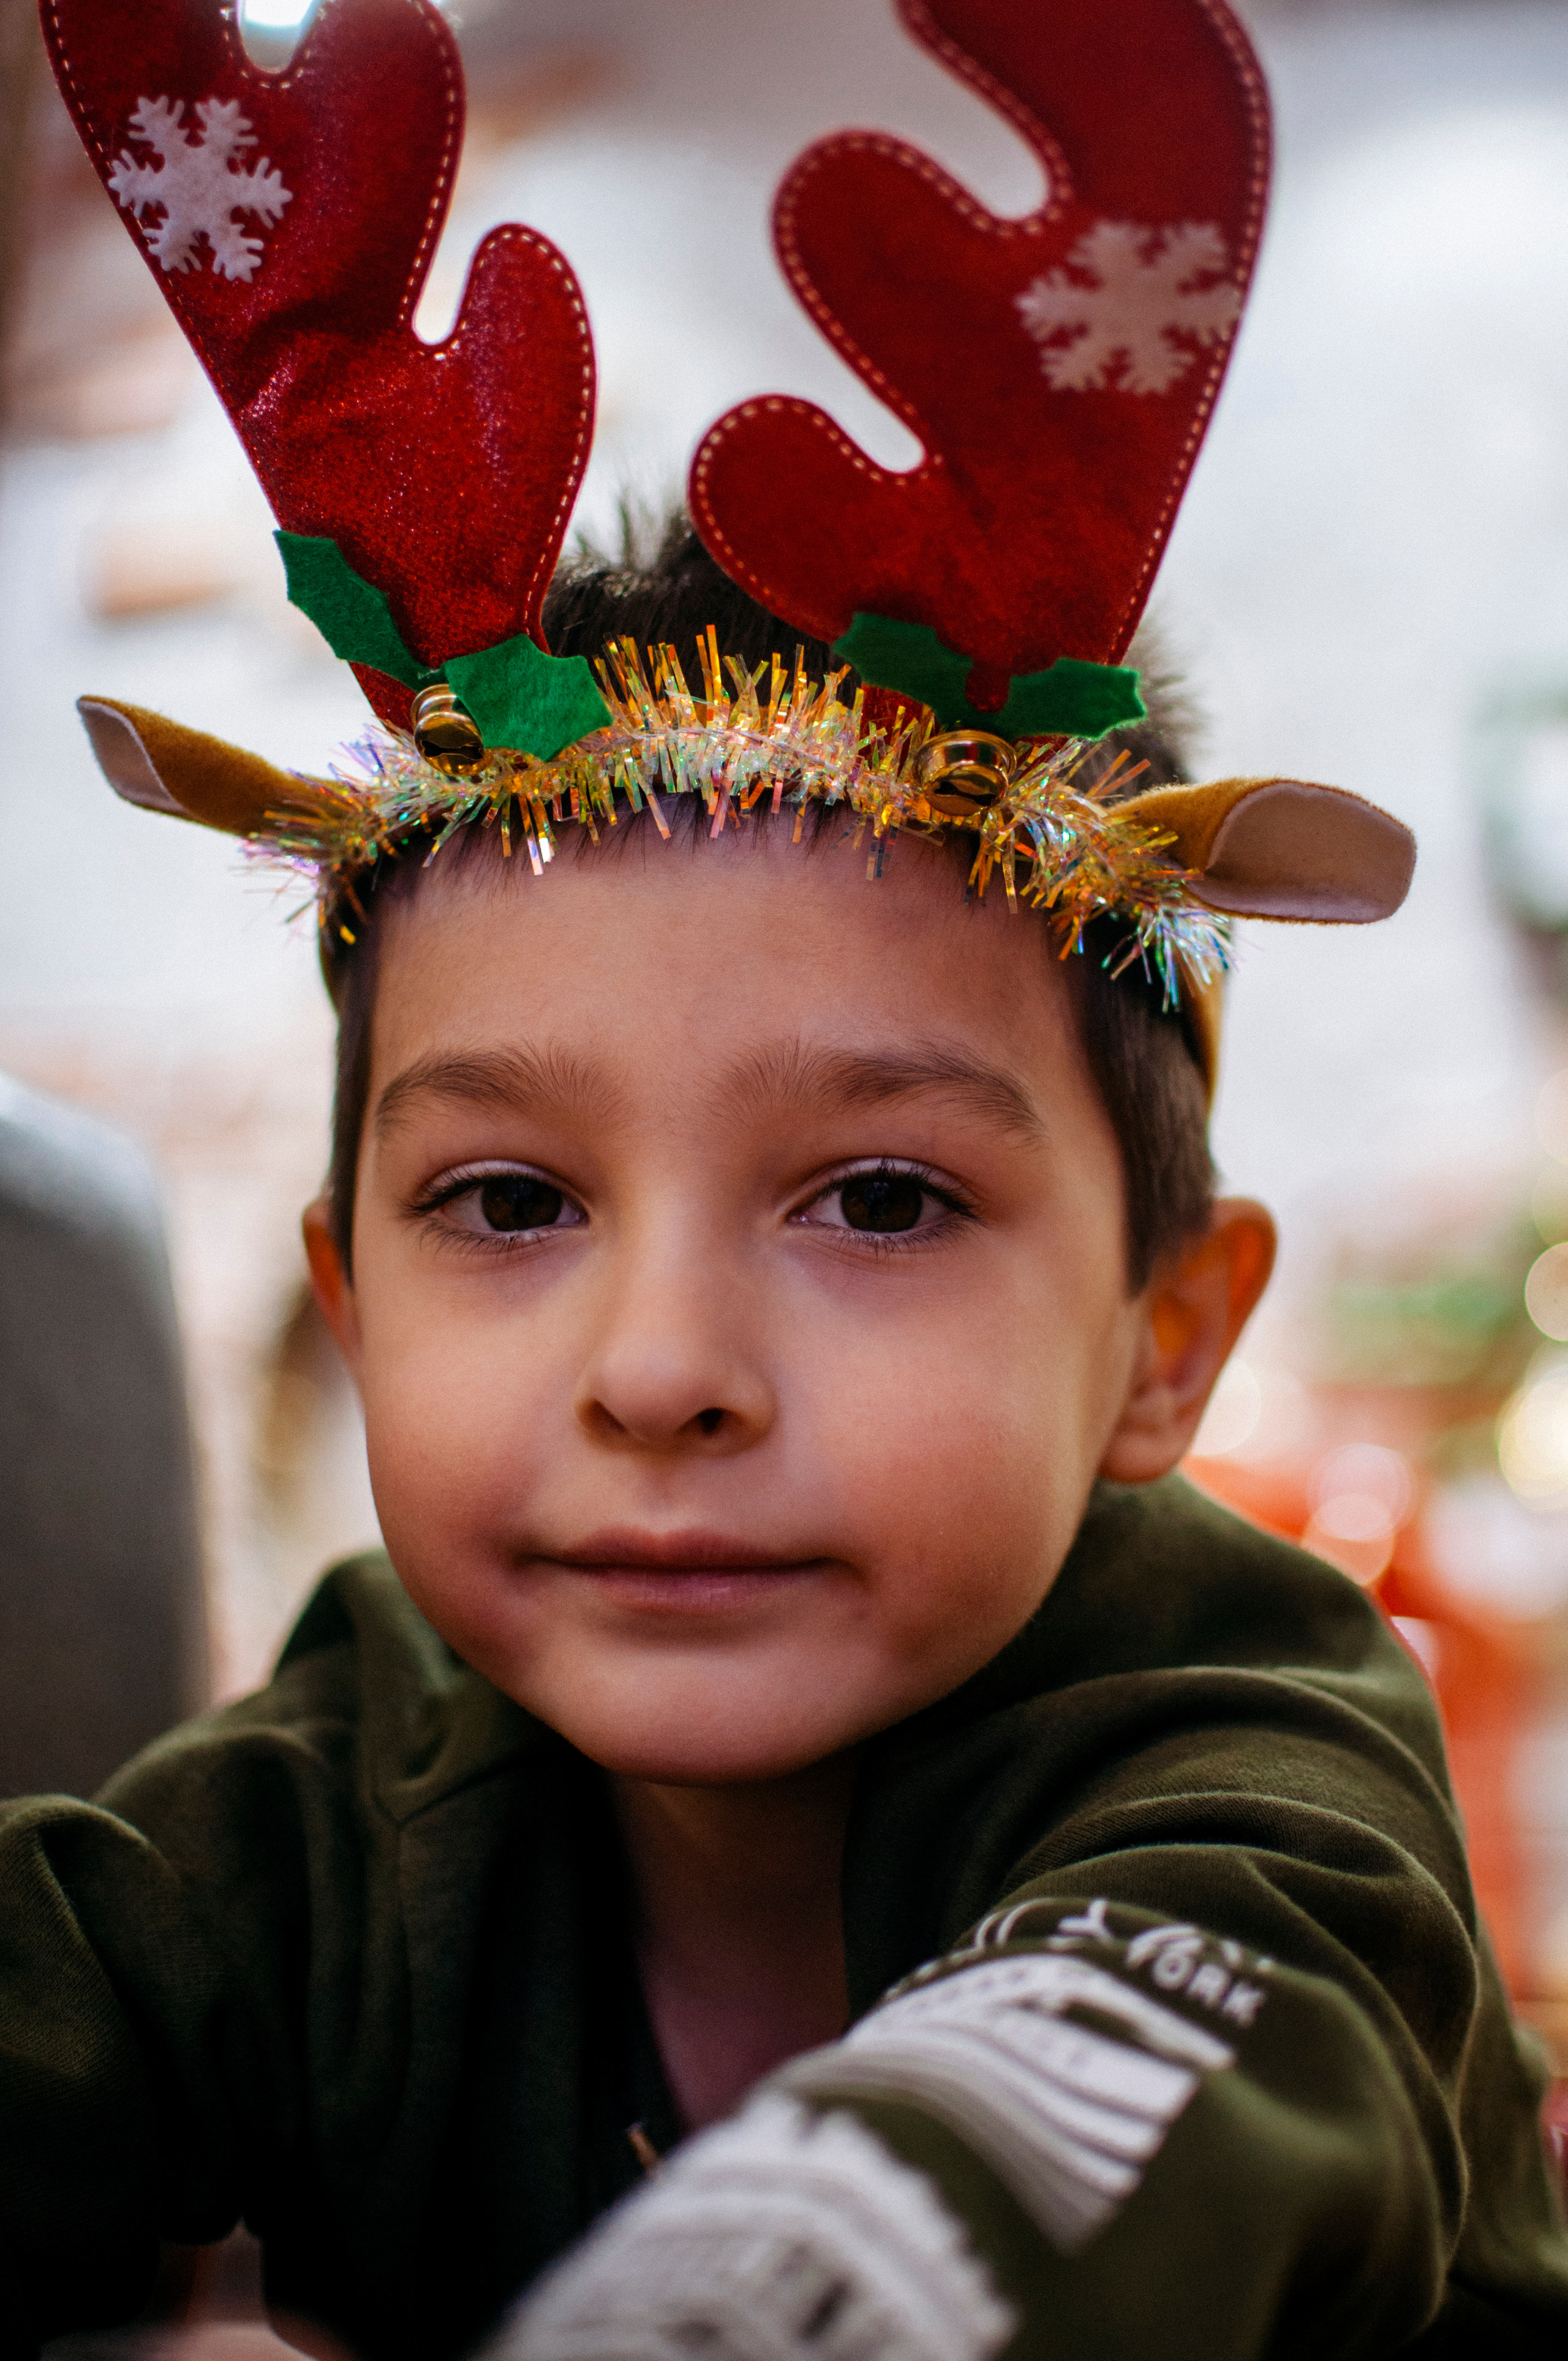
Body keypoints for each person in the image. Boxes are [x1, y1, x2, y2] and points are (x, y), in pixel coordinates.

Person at [16, 0, 1566, 2355]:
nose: (661, 1373)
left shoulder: (1260, 1772)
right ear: (353, 1307)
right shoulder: (348, 1776)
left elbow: (1094, 2116)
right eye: (510, 1205)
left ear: (1167, 1341)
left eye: (882, 1201)